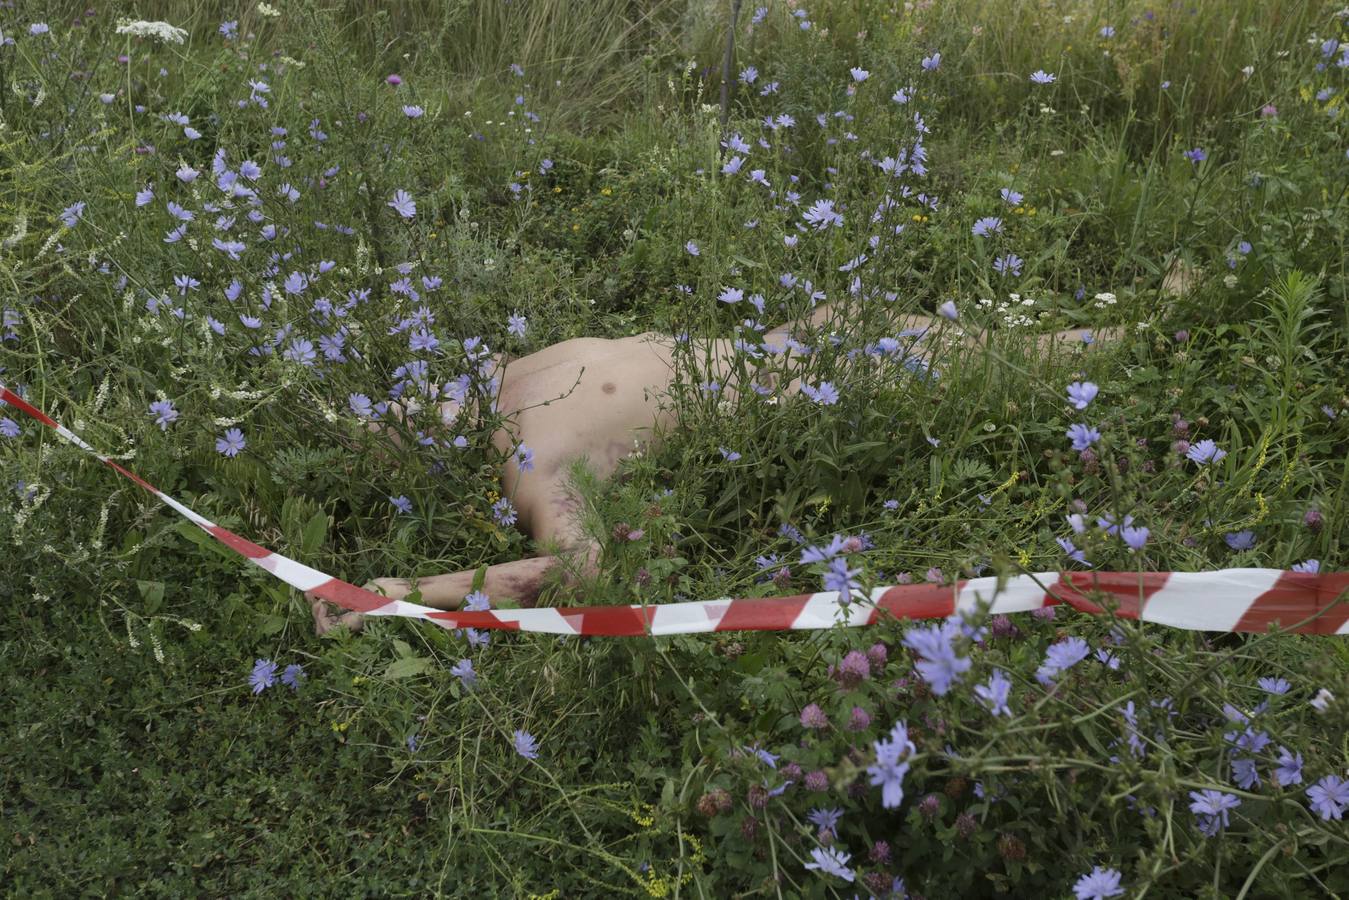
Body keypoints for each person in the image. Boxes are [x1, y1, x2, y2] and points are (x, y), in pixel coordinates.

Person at [309, 302, 1113, 634]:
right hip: (810, 397)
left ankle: (1108, 326)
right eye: (384, 431)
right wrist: (408, 594)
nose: (392, 411)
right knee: (1006, 360)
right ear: (418, 460)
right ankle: (1138, 330)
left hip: (795, 340)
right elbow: (580, 568)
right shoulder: (531, 463)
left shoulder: (495, 376)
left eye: (382, 412)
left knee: (954, 331)